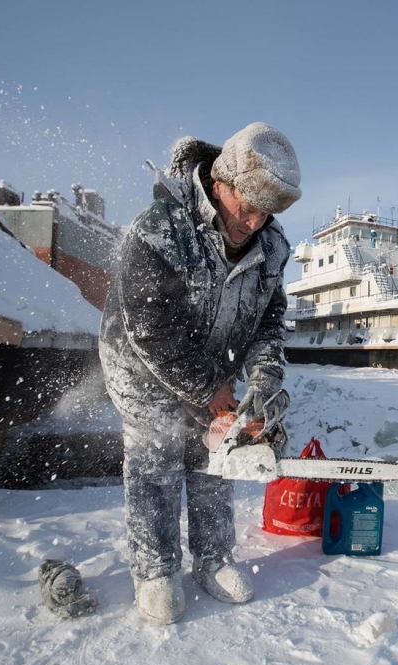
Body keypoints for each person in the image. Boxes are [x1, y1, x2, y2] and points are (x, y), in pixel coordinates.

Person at [99, 122, 300, 625]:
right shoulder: (159, 229)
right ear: (220, 185)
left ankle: (213, 558)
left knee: (215, 453)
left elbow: (268, 318)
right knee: (157, 456)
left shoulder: (272, 249)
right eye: (247, 207)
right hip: (141, 362)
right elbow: (149, 326)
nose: (254, 222)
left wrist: (262, 380)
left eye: (266, 212)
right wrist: (210, 388)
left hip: (214, 360)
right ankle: (155, 570)